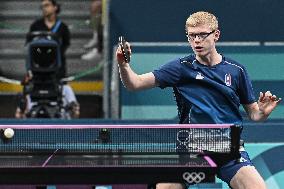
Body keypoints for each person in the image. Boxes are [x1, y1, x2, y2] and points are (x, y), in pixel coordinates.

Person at [116, 11, 281, 189]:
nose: (196, 41)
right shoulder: (180, 68)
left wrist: (262, 111)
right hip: (193, 149)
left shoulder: (236, 71)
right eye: (192, 36)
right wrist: (123, 65)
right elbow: (135, 83)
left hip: (229, 149)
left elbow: (255, 115)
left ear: (216, 35)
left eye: (202, 35)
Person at [26, 0, 70, 79]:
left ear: (55, 7)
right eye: (42, 6)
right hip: (38, 65)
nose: (44, 8)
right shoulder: (35, 25)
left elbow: (66, 43)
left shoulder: (63, 26)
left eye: (47, 5)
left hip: (56, 65)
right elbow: (29, 43)